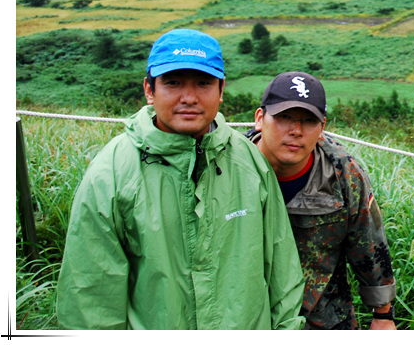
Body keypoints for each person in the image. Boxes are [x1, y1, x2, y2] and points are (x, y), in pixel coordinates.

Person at [56, 29, 305, 330]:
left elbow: (283, 270)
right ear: (149, 89)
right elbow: (91, 299)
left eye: (203, 83)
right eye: (173, 83)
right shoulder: (111, 174)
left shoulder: (249, 161)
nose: (189, 97)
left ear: (221, 89)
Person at [246, 71, 397, 330]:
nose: (296, 130)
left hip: (323, 317)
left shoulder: (343, 173)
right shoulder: (231, 167)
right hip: (248, 317)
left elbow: (369, 242)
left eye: (308, 121)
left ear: (322, 127)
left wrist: (382, 315)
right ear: (260, 118)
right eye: (284, 118)